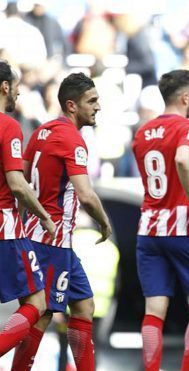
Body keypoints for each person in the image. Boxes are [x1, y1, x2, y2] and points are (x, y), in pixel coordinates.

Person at [15, 72, 112, 371]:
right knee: (41, 315)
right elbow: (85, 194)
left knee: (84, 306)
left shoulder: (40, 133)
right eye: (91, 101)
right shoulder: (73, 139)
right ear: (72, 105)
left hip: (48, 239)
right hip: (51, 240)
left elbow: (22, 182)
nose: (98, 107)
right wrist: (104, 223)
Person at [132, 69, 189, 371]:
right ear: (185, 97)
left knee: (154, 309)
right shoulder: (188, 127)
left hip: (148, 227)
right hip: (182, 224)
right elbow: (182, 159)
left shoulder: (142, 131)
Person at [0, 61, 54, 358]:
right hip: (5, 229)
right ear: (5, 86)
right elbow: (17, 184)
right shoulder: (9, 126)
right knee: (37, 302)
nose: (19, 93)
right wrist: (44, 216)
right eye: (16, 86)